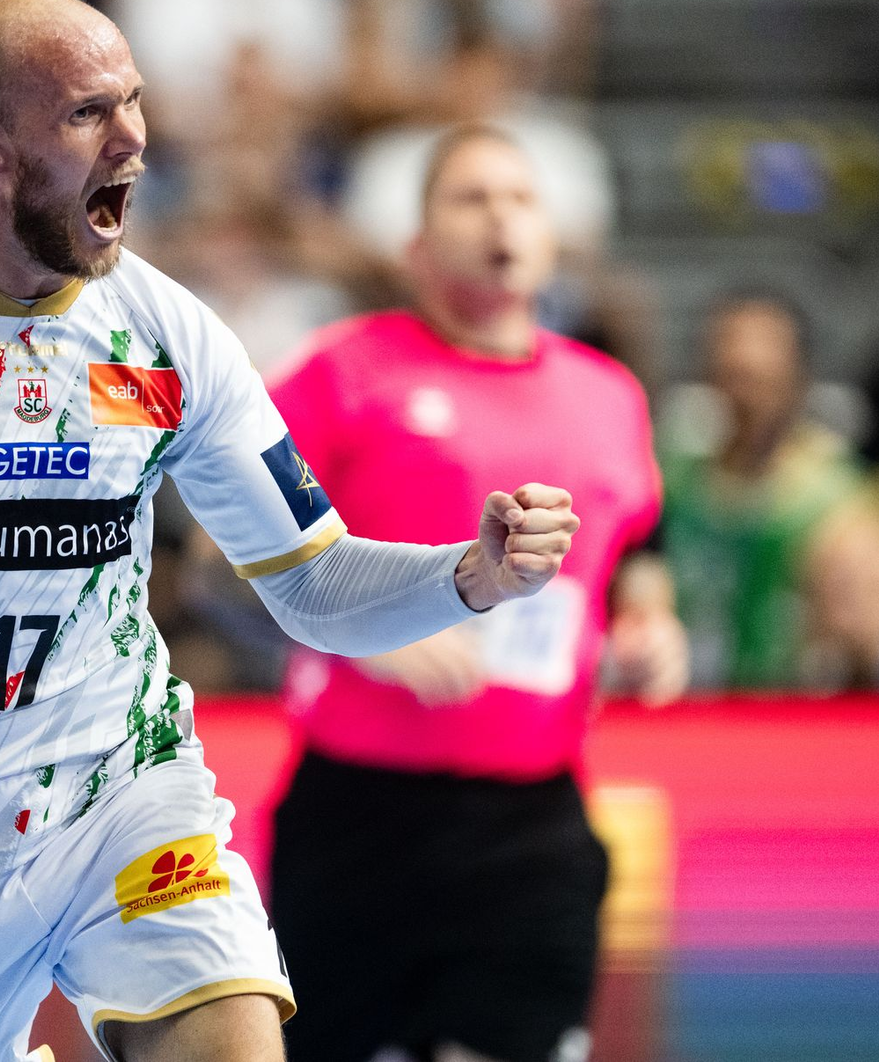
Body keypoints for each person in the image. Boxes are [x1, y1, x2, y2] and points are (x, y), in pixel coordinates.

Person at [0, 0, 580, 1062]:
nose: (136, 139)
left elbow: (311, 580)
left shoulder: (167, 333)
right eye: (87, 114)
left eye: (136, 103)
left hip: (124, 786)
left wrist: (466, 577)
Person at [266, 124, 687, 1062]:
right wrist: (365, 633)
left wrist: (651, 619)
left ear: (551, 240)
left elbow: (637, 543)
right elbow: (225, 566)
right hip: (357, 823)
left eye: (521, 197)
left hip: (532, 824)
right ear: (416, 247)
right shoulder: (341, 371)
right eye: (470, 196)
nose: (501, 216)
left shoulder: (610, 393)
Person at [661, 293, 864, 688]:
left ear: (797, 382)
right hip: (687, 709)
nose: (746, 400)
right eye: (732, 377)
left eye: (760, 381)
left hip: (786, 715)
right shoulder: (676, 485)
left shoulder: (835, 499)